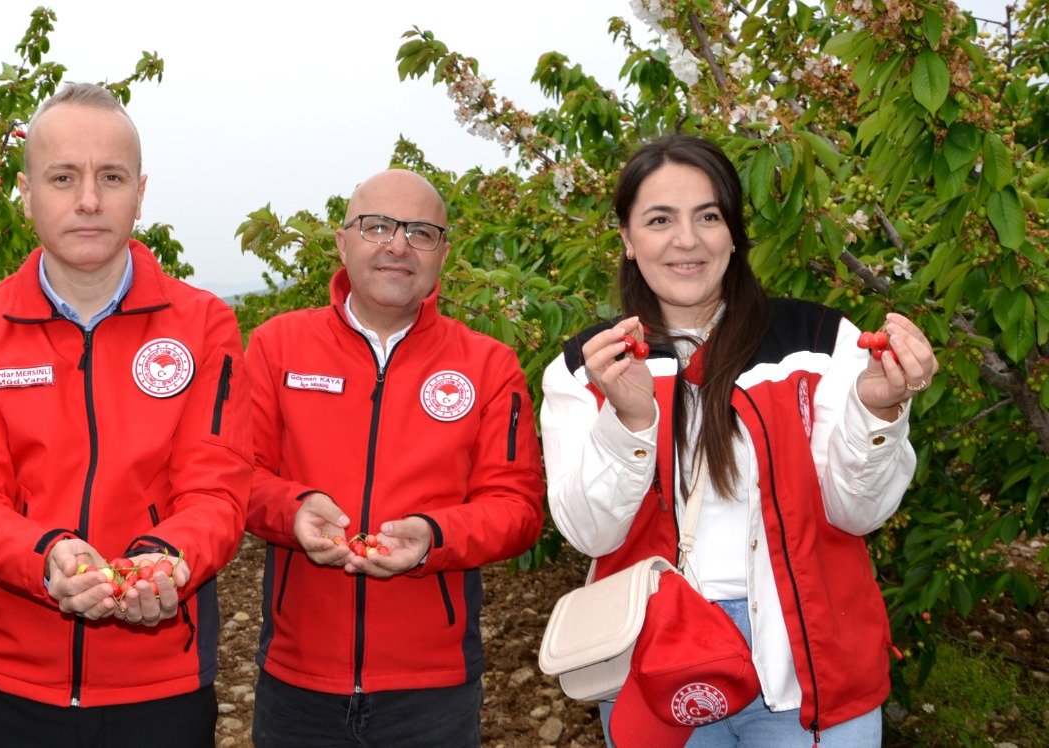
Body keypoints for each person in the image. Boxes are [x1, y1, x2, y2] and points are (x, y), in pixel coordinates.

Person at [540, 134, 938, 746]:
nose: (687, 240)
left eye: (708, 216)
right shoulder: (590, 364)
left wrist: (878, 408)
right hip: (656, 656)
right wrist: (626, 421)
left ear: (734, 232)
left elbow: (859, 513)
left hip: (808, 652)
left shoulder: (819, 340)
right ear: (626, 238)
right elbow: (590, 535)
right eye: (659, 220)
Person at [0, 82, 251, 747]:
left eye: (111, 177)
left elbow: (216, 491)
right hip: (6, 688)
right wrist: (45, 556)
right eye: (63, 177)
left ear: (140, 191)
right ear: (26, 193)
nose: (88, 201)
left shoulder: (204, 324)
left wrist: (166, 557)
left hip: (159, 690)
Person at [244, 168, 547, 746]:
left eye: (421, 232)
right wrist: (293, 508)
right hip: (298, 680)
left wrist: (436, 535)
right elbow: (235, 476)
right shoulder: (277, 346)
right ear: (342, 240)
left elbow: (518, 506)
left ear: (443, 252)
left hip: (432, 691)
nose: (398, 245)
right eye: (377, 226)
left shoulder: (488, 364)